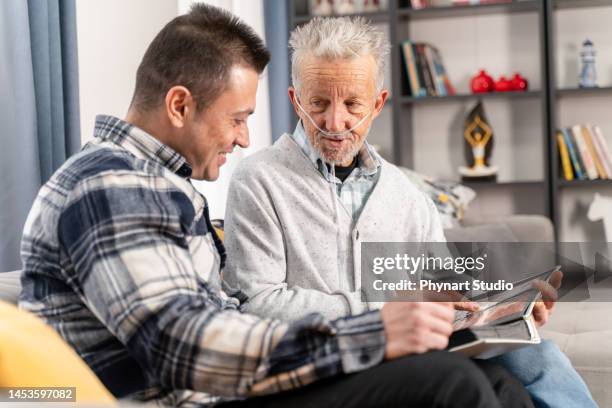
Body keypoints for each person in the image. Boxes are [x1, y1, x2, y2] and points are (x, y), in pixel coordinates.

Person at [18, 4, 532, 408]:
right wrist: (373, 329)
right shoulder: (109, 187)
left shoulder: (158, 186)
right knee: (450, 385)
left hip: (236, 389)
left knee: (502, 386)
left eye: (352, 105)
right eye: (237, 118)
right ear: (179, 105)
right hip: (198, 398)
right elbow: (182, 347)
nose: (244, 139)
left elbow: (219, 316)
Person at [223, 16, 596, 408]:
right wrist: (387, 306)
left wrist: (501, 316)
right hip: (331, 364)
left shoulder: (406, 195)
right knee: (488, 387)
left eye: (352, 103)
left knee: (534, 361)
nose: (335, 122)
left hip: (413, 350)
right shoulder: (258, 180)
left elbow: (443, 296)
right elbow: (258, 304)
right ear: (295, 99)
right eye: (318, 103)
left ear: (379, 103)